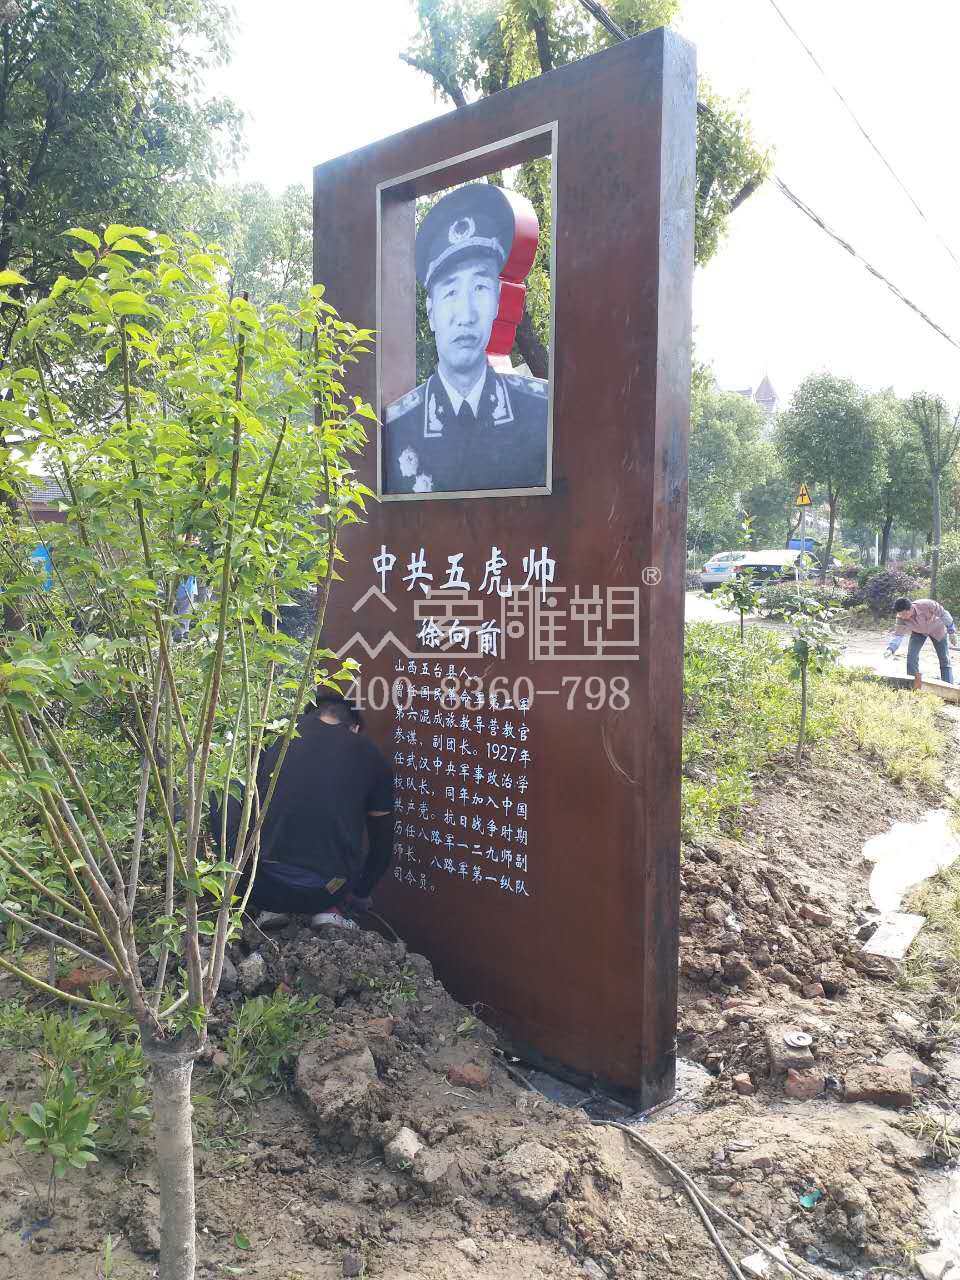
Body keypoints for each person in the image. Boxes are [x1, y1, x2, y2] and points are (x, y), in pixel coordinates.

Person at [383, 182, 548, 496]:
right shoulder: (396, 427)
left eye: (480, 288)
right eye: (451, 292)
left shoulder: (542, 412)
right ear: (431, 311)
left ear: (497, 300)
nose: (466, 314)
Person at [224, 696, 394, 929]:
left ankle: (270, 908)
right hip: (327, 891)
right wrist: (361, 892)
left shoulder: (274, 734)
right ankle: (331, 911)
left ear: (308, 716)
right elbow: (382, 843)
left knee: (228, 788)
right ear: (354, 728)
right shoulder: (370, 755)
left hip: (259, 883)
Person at [882, 595, 958, 687]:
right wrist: (891, 649)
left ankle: (948, 685)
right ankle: (913, 685)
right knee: (911, 657)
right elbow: (898, 635)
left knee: (944, 658)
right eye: (900, 614)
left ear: (910, 608)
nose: (902, 617)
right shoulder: (900, 618)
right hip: (918, 632)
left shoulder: (927, 604)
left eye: (904, 614)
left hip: (937, 629)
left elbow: (944, 614)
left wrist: (951, 631)